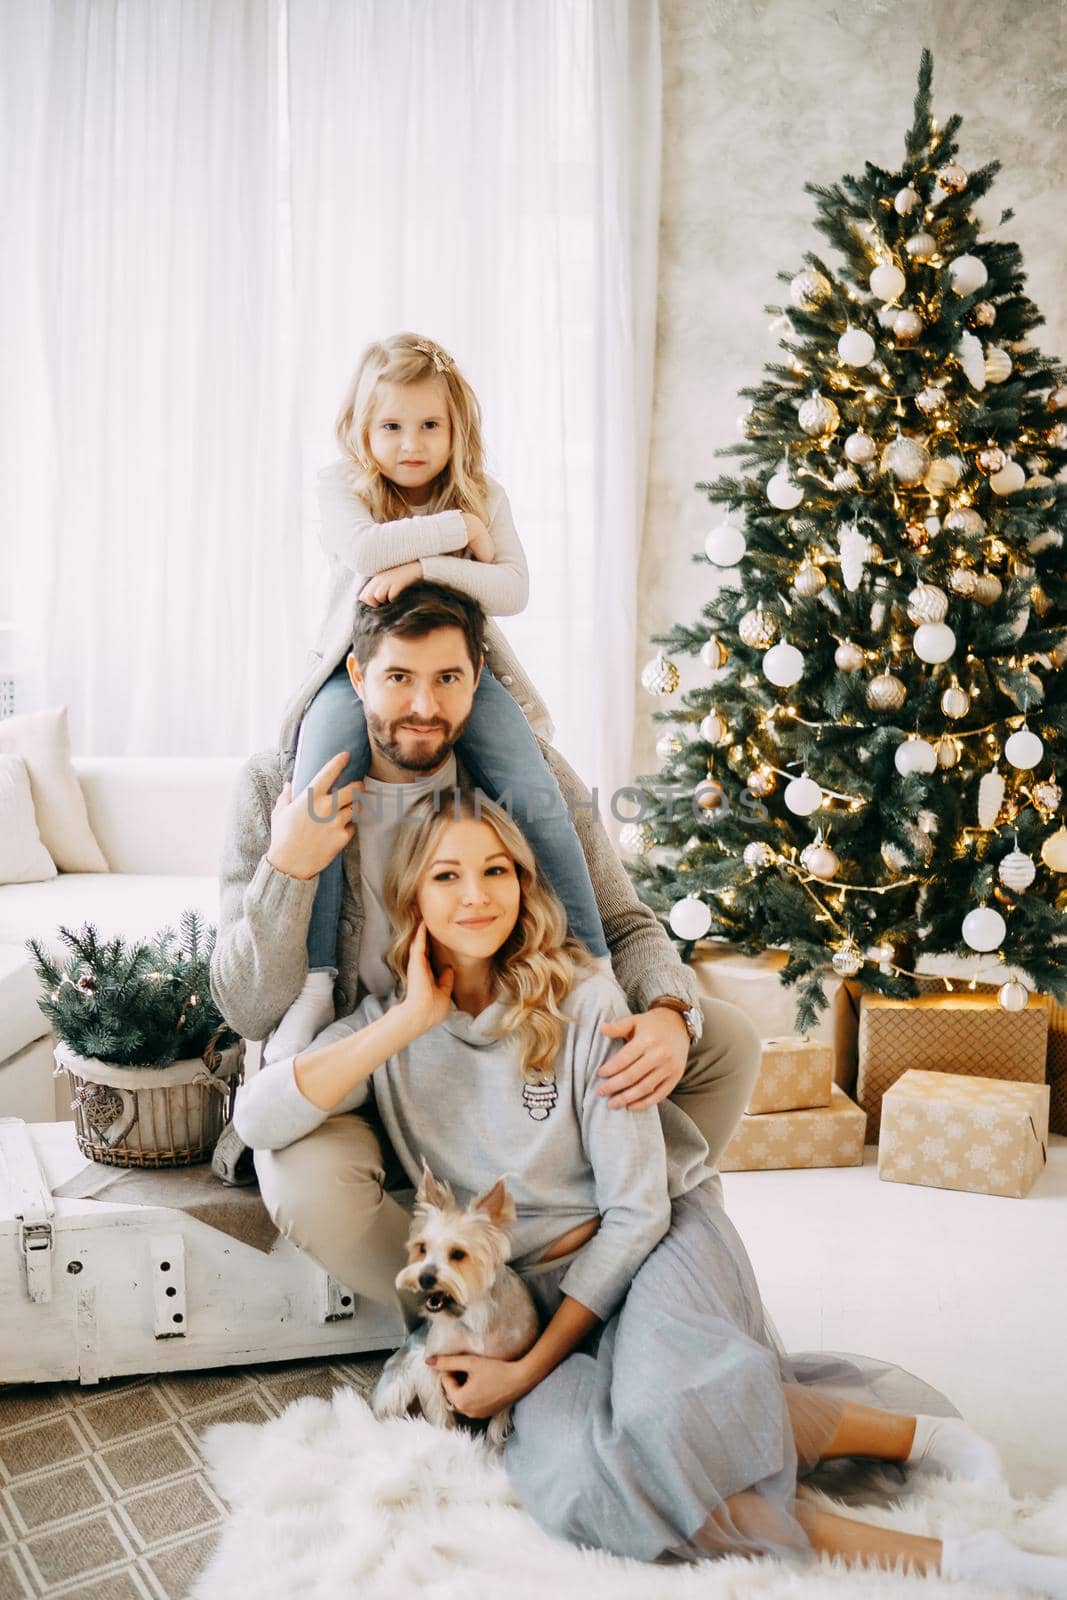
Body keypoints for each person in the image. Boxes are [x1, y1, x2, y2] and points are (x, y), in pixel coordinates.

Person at [232, 789, 1063, 1594]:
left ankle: (939, 1501)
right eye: (446, 875)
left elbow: (637, 1210)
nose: (477, 895)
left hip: (651, 1245)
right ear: (411, 895)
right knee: (585, 1489)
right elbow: (262, 1118)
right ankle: (953, 1535)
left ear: (524, 884)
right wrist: (408, 1021)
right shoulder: (387, 1027)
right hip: (526, 1294)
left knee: (671, 1423)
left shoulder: (586, 1000)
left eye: (497, 870)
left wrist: (522, 1377)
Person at [209, 583, 761, 1288]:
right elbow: (247, 1008)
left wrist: (669, 1012)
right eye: (398, 678)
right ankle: (471, 1316)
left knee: (725, 1040)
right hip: (363, 1060)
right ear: (356, 676)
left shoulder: (525, 780)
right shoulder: (273, 788)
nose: (423, 706)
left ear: (478, 678)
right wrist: (290, 867)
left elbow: (624, 925)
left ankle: (608, 1240)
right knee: (305, 1183)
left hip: (508, 1049)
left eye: (448, 679)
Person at [269, 330, 608, 1064]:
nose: (411, 443)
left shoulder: (484, 491)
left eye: (430, 425)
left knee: (534, 785)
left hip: (460, 671)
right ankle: (317, 983)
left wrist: (426, 560)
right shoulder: (342, 486)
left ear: (457, 429)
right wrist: (461, 534)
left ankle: (593, 964)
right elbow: (363, 554)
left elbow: (510, 589)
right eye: (390, 426)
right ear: (361, 431)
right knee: (320, 790)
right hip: (354, 669)